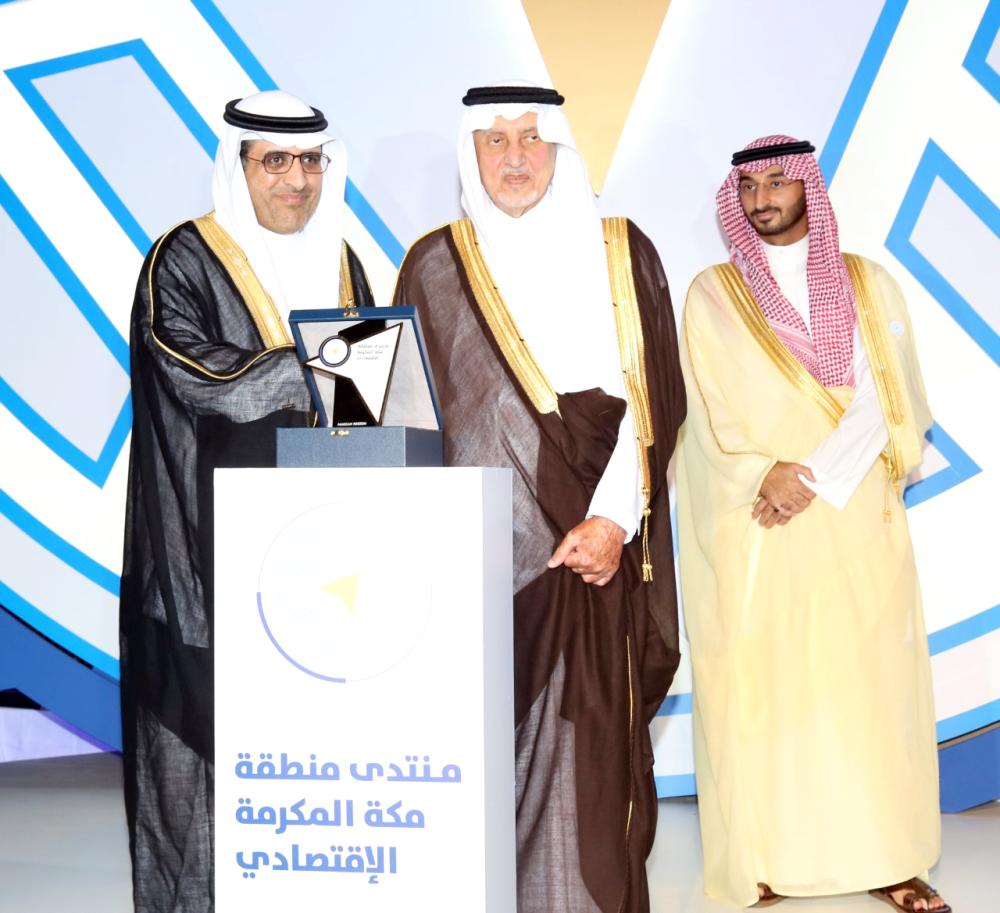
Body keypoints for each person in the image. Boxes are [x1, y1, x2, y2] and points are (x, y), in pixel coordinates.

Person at [391, 83, 686, 913]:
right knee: (475, 759)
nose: (514, 157)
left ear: (559, 149)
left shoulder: (621, 253)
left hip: (589, 555)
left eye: (531, 138)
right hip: (473, 567)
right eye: (495, 141)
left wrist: (613, 521)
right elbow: (405, 412)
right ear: (470, 153)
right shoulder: (433, 263)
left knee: (585, 760)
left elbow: (653, 402)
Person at [676, 135, 948, 911]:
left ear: (808, 188)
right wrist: (765, 472)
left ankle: (891, 858)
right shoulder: (712, 293)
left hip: (850, 508)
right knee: (765, 684)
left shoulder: (868, 282)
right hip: (756, 516)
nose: (762, 198)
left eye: (778, 182)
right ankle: (767, 859)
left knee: (868, 682)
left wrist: (814, 477)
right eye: (749, 186)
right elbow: (703, 403)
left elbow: (891, 394)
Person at [119, 90, 373, 912]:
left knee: (314, 756)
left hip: (319, 563)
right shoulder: (182, 258)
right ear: (239, 166)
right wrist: (317, 363)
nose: (297, 179)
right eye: (276, 161)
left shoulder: (342, 262)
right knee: (205, 761)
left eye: (310, 160)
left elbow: (369, 406)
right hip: (204, 557)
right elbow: (196, 374)